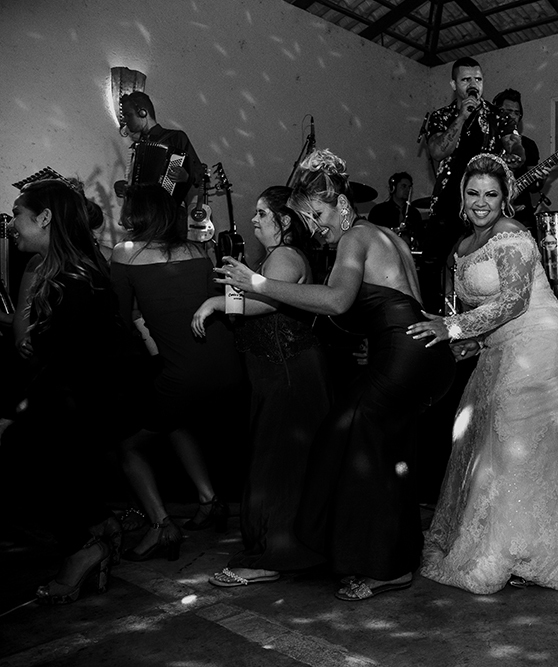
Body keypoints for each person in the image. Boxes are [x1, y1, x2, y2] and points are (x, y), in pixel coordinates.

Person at [217, 149, 455, 601]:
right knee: (388, 454)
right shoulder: (391, 237)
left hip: (405, 354)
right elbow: (401, 302)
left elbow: (337, 301)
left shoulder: (355, 238)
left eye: (320, 214)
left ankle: (370, 561)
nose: (317, 225)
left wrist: (259, 285)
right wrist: (379, 341)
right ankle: (395, 560)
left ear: (342, 205)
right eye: (309, 218)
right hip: (423, 354)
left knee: (343, 436)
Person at [410, 153, 558, 594]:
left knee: (521, 449)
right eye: (473, 192)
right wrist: (455, 343)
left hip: (543, 343)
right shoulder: (462, 246)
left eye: (491, 194)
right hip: (501, 347)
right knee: (493, 446)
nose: (481, 202)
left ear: (504, 198)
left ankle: (533, 554)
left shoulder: (511, 234)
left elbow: (513, 302)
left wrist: (452, 326)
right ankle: (516, 547)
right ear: (462, 195)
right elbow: (487, 315)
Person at [192, 186, 330, 586]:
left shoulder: (286, 256)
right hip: (275, 373)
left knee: (281, 464)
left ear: (284, 221)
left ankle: (277, 556)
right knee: (278, 461)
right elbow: (250, 307)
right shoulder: (270, 258)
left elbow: (267, 304)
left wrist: (216, 302)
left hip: (289, 373)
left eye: (262, 214)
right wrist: (233, 283)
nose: (254, 221)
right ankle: (282, 549)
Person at [0, 180, 130, 603]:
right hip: (73, 402)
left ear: (45, 217)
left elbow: (65, 359)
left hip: (77, 405)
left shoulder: (72, 279)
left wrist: (20, 405)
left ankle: (83, 549)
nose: (12, 223)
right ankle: (97, 527)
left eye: (19, 213)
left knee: (23, 454)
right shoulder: (66, 270)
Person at [111, 184, 243, 562]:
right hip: (229, 369)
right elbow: (230, 306)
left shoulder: (125, 252)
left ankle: (160, 525)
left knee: (129, 446)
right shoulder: (199, 249)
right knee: (173, 422)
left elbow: (119, 318)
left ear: (138, 213)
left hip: (184, 375)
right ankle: (210, 499)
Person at [423, 57, 525, 312]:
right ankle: (437, 318)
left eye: (477, 79)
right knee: (435, 266)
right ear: (454, 83)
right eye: (466, 79)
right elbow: (436, 151)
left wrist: (515, 152)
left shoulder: (497, 116)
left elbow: (515, 144)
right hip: (448, 203)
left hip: (484, 204)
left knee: (485, 265)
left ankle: (482, 320)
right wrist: (461, 116)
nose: (473, 85)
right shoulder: (441, 116)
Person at [116, 91, 203, 208]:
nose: (125, 120)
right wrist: (126, 186)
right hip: (144, 213)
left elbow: (200, 171)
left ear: (142, 112)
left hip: (170, 212)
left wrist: (187, 176)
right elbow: (138, 183)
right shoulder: (137, 147)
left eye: (128, 115)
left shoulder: (176, 138)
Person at [492, 89, 547, 232]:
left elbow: (534, 187)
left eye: (517, 113)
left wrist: (541, 179)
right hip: (490, 210)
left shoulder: (528, 145)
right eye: (508, 111)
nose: (513, 116)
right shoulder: (488, 142)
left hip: (521, 213)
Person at [367, 172, 423, 237]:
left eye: (409, 187)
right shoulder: (379, 211)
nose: (407, 190)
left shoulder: (414, 213)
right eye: (403, 186)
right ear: (393, 188)